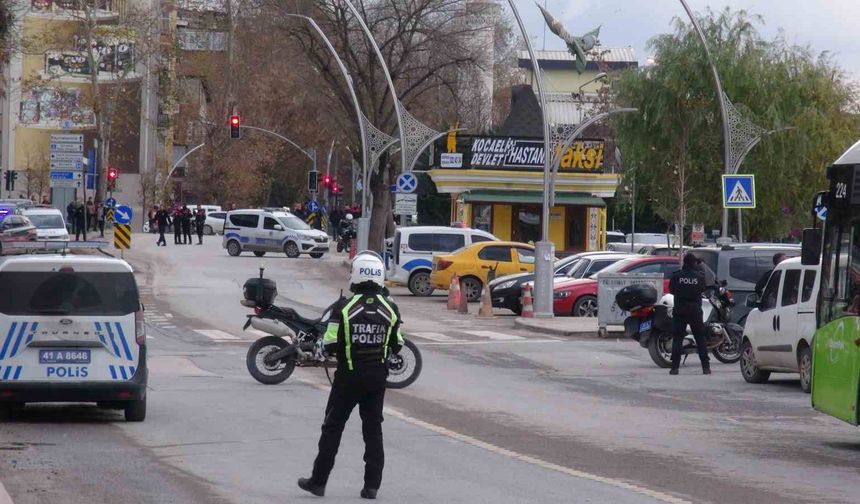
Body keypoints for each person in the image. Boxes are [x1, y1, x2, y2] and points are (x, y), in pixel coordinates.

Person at [298, 252, 403, 500]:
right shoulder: (391, 308)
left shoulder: (343, 308)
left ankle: (318, 481)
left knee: (333, 427)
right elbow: (397, 344)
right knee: (373, 431)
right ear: (379, 276)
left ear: (356, 275)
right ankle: (371, 487)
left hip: (348, 376)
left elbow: (330, 343)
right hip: (377, 377)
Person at [668, 253, 709, 375]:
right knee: (700, 338)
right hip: (695, 311)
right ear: (694, 263)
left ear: (685, 263)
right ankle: (705, 367)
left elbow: (672, 290)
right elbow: (703, 289)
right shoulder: (699, 277)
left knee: (677, 339)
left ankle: (675, 368)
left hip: (680, 310)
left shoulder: (677, 276)